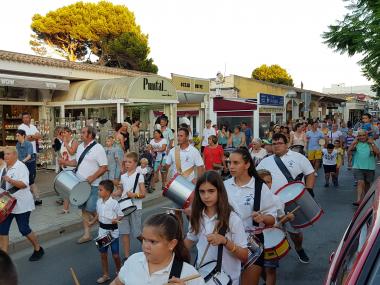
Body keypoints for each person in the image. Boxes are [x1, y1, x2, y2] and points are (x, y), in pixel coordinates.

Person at [257, 133, 315, 264]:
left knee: (295, 232)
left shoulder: (298, 157)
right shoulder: (265, 161)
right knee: (270, 230)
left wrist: (309, 189)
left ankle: (299, 248)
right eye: (274, 144)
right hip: (270, 204)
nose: (276, 146)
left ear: (287, 144)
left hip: (291, 203)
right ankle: (271, 258)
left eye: (279, 143)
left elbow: (310, 174)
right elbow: (256, 179)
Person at [224, 147, 277, 285]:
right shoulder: (224, 186)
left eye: (236, 163)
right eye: (230, 163)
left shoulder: (260, 187)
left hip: (253, 241)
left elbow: (272, 218)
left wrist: (263, 218)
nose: (231, 166)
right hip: (229, 240)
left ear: (247, 165)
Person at [184, 171, 248, 285]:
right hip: (203, 277)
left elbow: (244, 256)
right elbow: (189, 241)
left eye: (211, 191)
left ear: (220, 191)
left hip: (228, 280)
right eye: (202, 192)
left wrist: (225, 241)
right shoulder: (196, 216)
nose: (206, 196)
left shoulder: (233, 219)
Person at [110, 213, 205, 285]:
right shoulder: (133, 260)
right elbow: (117, 282)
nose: (145, 246)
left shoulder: (188, 274)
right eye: (144, 239)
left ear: (172, 244)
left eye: (152, 241)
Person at [59, 126, 108, 244]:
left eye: (83, 132)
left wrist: (93, 177)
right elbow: (77, 161)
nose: (80, 134)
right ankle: (87, 234)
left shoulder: (98, 148)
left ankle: (105, 223)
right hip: (80, 184)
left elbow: (104, 167)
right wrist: (65, 162)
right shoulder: (80, 147)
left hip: (94, 184)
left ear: (90, 135)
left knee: (90, 207)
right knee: (84, 210)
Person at [0, 147, 44, 261]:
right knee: (2, 230)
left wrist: (10, 180)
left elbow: (24, 184)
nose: (5, 156)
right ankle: (4, 259)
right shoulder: (4, 167)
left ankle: (38, 249)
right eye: (4, 154)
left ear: (15, 155)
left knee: (24, 229)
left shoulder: (21, 167)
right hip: (5, 203)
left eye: (8, 154)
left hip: (21, 203)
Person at [256, 169, 294, 285]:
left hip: (272, 239)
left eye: (268, 182)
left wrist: (287, 217)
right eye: (263, 182)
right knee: (258, 268)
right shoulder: (250, 198)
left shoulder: (276, 199)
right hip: (255, 239)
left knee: (270, 269)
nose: (266, 185)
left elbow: (281, 219)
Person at [87, 180, 123, 284]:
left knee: (116, 255)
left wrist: (116, 219)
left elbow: (121, 215)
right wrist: (92, 222)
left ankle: (120, 274)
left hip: (113, 232)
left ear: (108, 192)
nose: (98, 191)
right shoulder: (98, 201)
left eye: (100, 190)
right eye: (98, 189)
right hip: (102, 232)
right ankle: (106, 275)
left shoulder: (114, 203)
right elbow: (98, 214)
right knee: (103, 255)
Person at [114, 152, 146, 260]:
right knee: (124, 232)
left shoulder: (139, 176)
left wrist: (134, 195)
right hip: (123, 207)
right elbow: (121, 191)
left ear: (135, 163)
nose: (127, 164)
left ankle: (148, 245)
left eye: (130, 162)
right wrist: (114, 193)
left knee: (137, 233)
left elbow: (143, 193)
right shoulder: (123, 176)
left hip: (135, 207)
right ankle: (127, 257)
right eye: (126, 162)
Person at [348, 130, 379, 206]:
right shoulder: (356, 144)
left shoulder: (371, 143)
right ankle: (359, 200)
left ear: (366, 136)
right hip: (358, 167)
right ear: (358, 137)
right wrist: (353, 143)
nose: (362, 137)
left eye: (363, 135)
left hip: (369, 167)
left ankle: (366, 199)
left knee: (367, 184)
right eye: (360, 135)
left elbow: (378, 152)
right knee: (360, 182)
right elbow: (349, 152)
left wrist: (372, 143)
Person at [18, 112, 42, 206]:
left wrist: (31, 137)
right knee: (28, 176)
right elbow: (24, 139)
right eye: (24, 118)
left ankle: (32, 196)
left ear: (30, 118)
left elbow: (39, 136)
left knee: (32, 175)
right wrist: (33, 137)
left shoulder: (32, 126)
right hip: (25, 155)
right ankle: (34, 197)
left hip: (33, 153)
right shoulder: (21, 127)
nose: (25, 119)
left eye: (27, 117)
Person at [59, 127, 79, 213]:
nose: (63, 134)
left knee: (75, 188)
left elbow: (72, 152)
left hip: (73, 168)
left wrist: (66, 143)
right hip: (65, 168)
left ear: (70, 133)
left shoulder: (74, 142)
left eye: (65, 132)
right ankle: (65, 209)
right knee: (66, 189)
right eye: (62, 133)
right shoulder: (63, 143)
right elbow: (62, 154)